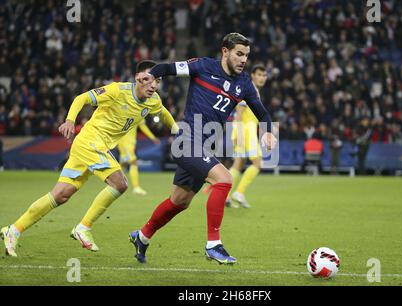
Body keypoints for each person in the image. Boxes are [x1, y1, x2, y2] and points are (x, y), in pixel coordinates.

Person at [1, 60, 177, 257]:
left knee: (60, 195)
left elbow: (163, 114)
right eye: (150, 79)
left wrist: (178, 131)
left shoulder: (153, 100)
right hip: (90, 141)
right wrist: (69, 120)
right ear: (138, 78)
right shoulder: (117, 91)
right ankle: (83, 227)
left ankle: (13, 229)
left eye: (158, 80)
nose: (154, 85)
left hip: (92, 147)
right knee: (119, 183)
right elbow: (81, 98)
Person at [129, 33, 277, 264]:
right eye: (239, 54)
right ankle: (213, 245)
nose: (243, 60)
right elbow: (166, 68)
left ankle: (142, 236)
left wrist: (267, 130)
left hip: (206, 146)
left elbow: (262, 112)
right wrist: (150, 79)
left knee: (180, 201)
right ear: (225, 52)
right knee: (224, 179)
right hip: (186, 140)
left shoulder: (245, 83)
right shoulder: (202, 66)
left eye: (246, 55)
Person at [227, 64, 268, 208]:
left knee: (238, 165)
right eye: (259, 75)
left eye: (264, 75)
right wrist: (238, 133)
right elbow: (239, 112)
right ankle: (239, 192)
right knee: (257, 163)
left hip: (245, 130)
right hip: (245, 130)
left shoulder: (254, 90)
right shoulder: (249, 89)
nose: (262, 78)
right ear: (253, 75)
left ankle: (226, 196)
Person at [117, 121, 161, 196]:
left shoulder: (124, 111)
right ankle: (136, 187)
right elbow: (143, 126)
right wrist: (153, 138)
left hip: (123, 143)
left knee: (123, 165)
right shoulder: (136, 111)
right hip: (127, 144)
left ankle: (114, 186)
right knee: (133, 163)